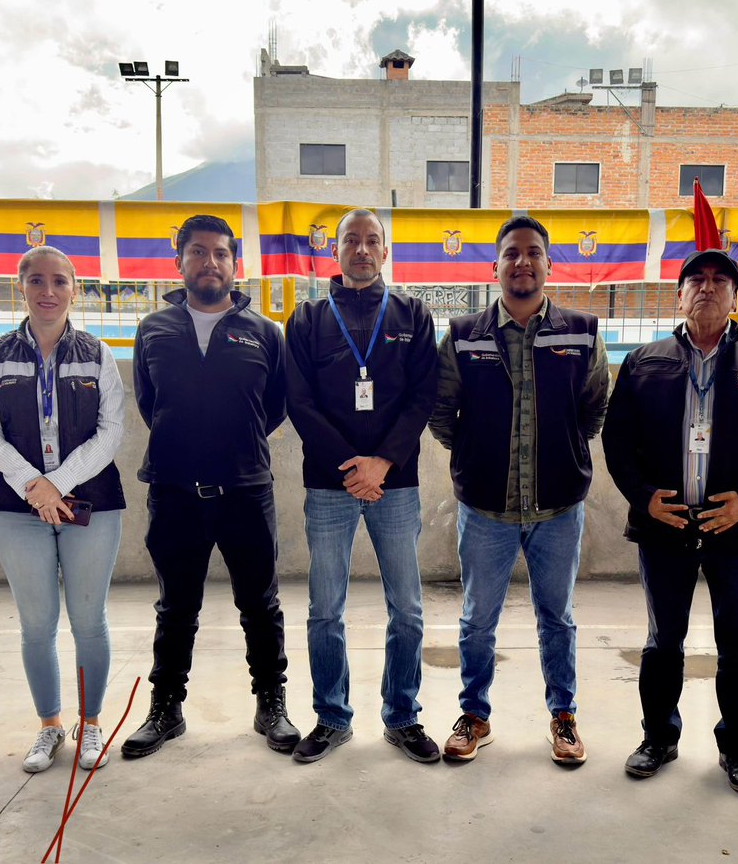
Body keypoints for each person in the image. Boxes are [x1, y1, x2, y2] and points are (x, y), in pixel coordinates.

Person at [603, 248, 738, 793]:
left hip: (735, 530)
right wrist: (644, 497)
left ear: (736, 296)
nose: (708, 287)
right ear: (678, 295)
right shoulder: (644, 360)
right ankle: (658, 739)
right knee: (662, 640)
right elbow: (617, 440)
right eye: (696, 279)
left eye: (721, 280)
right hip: (664, 526)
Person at [429, 215, 608, 765]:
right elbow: (441, 413)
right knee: (477, 618)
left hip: (558, 507)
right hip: (486, 507)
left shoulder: (582, 331)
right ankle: (474, 715)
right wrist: (477, 453)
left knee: (557, 617)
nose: (522, 262)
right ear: (496, 266)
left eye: (533, 253)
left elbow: (595, 406)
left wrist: (564, 448)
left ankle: (564, 716)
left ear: (549, 265)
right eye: (511, 253)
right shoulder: (463, 335)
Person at [123, 215, 298, 758]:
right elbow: (150, 402)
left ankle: (271, 703)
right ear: (179, 261)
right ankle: (166, 708)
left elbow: (273, 408)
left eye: (221, 253)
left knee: (260, 604)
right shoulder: (153, 328)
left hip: (246, 490)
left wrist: (234, 446)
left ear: (234, 264)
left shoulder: (267, 332)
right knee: (176, 607)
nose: (210, 262)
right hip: (174, 490)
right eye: (198, 252)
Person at [285, 208, 440, 764]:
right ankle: (331, 717)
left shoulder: (413, 315)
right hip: (329, 485)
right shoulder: (306, 320)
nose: (361, 250)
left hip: (395, 484)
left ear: (385, 252)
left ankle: (402, 717)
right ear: (335, 251)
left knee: (408, 609)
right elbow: (299, 402)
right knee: (326, 607)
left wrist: (382, 463)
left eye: (372, 241)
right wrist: (351, 466)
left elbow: (423, 396)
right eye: (351, 240)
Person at [0, 246, 125, 773]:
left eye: (60, 281)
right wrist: (31, 485)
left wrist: (56, 484)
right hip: (17, 506)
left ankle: (91, 724)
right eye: (36, 280)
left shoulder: (98, 354)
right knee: (36, 623)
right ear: (21, 287)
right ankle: (50, 727)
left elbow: (111, 434)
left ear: (75, 290)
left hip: (92, 504)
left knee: (89, 620)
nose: (48, 290)